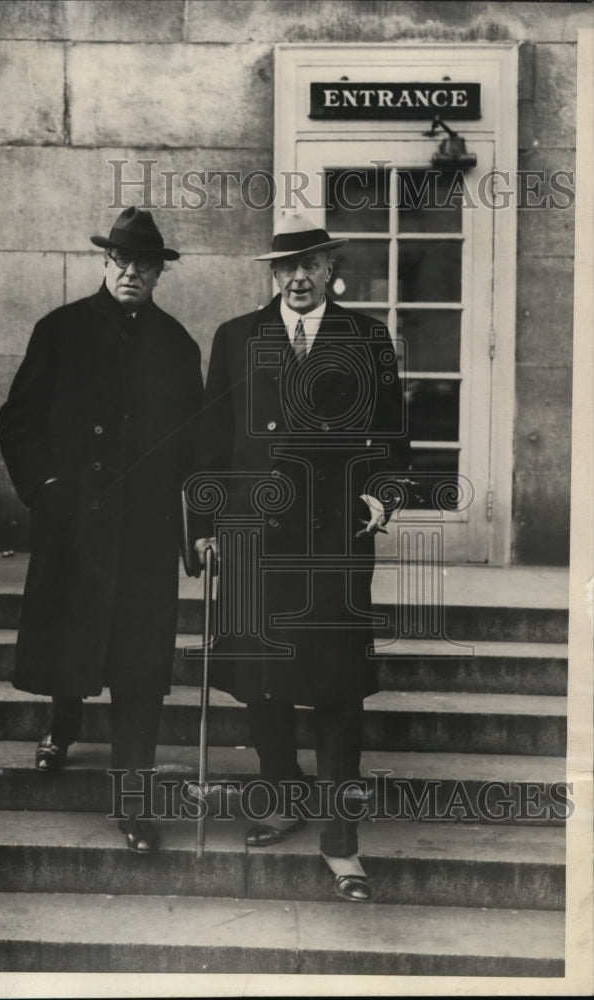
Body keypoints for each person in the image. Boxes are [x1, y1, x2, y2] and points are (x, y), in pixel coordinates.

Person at [192, 211, 409, 901]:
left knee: (338, 691)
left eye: (308, 266)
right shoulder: (236, 338)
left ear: (328, 269)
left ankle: (341, 841)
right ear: (271, 274)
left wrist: (376, 501)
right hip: (255, 537)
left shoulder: (365, 338)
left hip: (332, 544)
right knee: (263, 681)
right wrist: (203, 524)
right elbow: (212, 437)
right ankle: (282, 796)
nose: (296, 279)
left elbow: (392, 441)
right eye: (284, 268)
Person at [0, 207, 203, 855]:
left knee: (138, 666)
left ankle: (133, 801)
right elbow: (19, 421)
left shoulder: (176, 346)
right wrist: (47, 489)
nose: (131, 273)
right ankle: (60, 726)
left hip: (143, 530)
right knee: (72, 643)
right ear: (103, 262)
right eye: (120, 260)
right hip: (74, 523)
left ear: (158, 273)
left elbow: (195, 447)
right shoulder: (58, 330)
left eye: (144, 264)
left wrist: (196, 526)